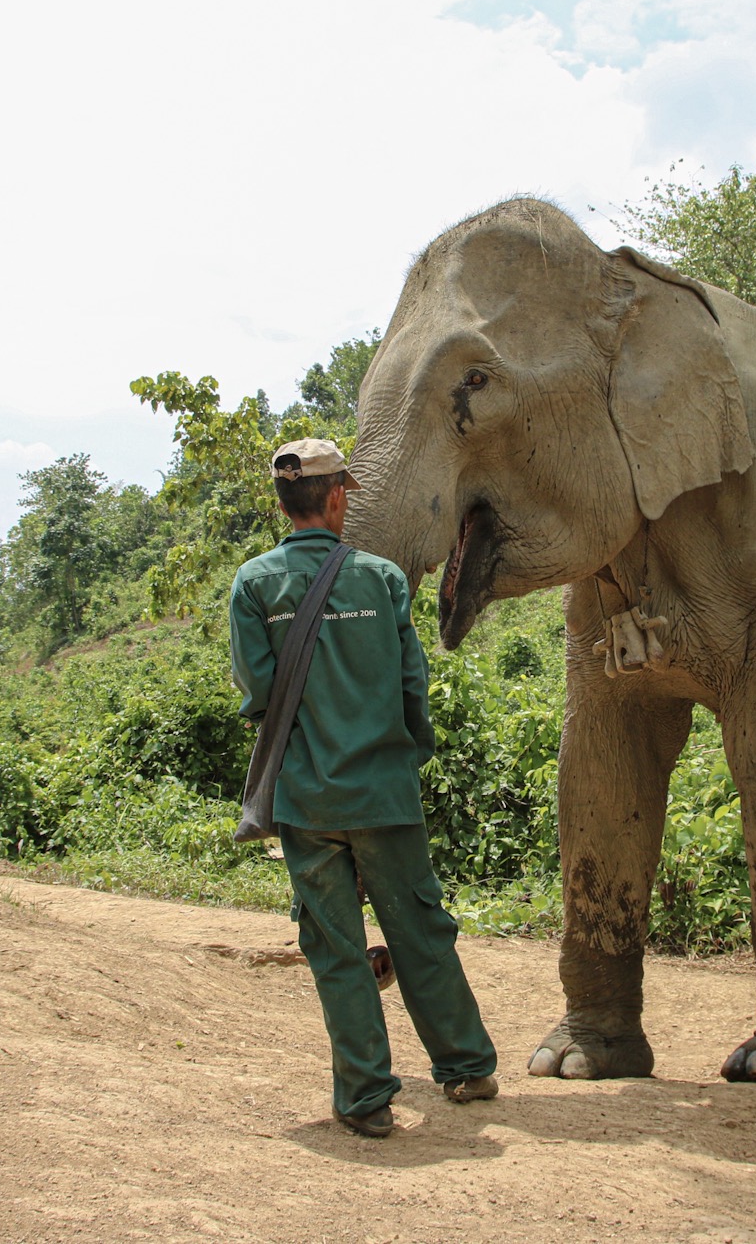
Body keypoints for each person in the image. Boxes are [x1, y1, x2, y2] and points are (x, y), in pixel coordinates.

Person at [227, 437, 499, 1139]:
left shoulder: (253, 584)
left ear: (283, 503)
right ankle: (465, 1065)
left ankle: (367, 1096)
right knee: (420, 931)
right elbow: (414, 686)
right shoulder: (380, 579)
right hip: (383, 789)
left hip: (307, 797)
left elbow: (259, 692)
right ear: (340, 495)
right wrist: (407, 751)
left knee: (336, 947)